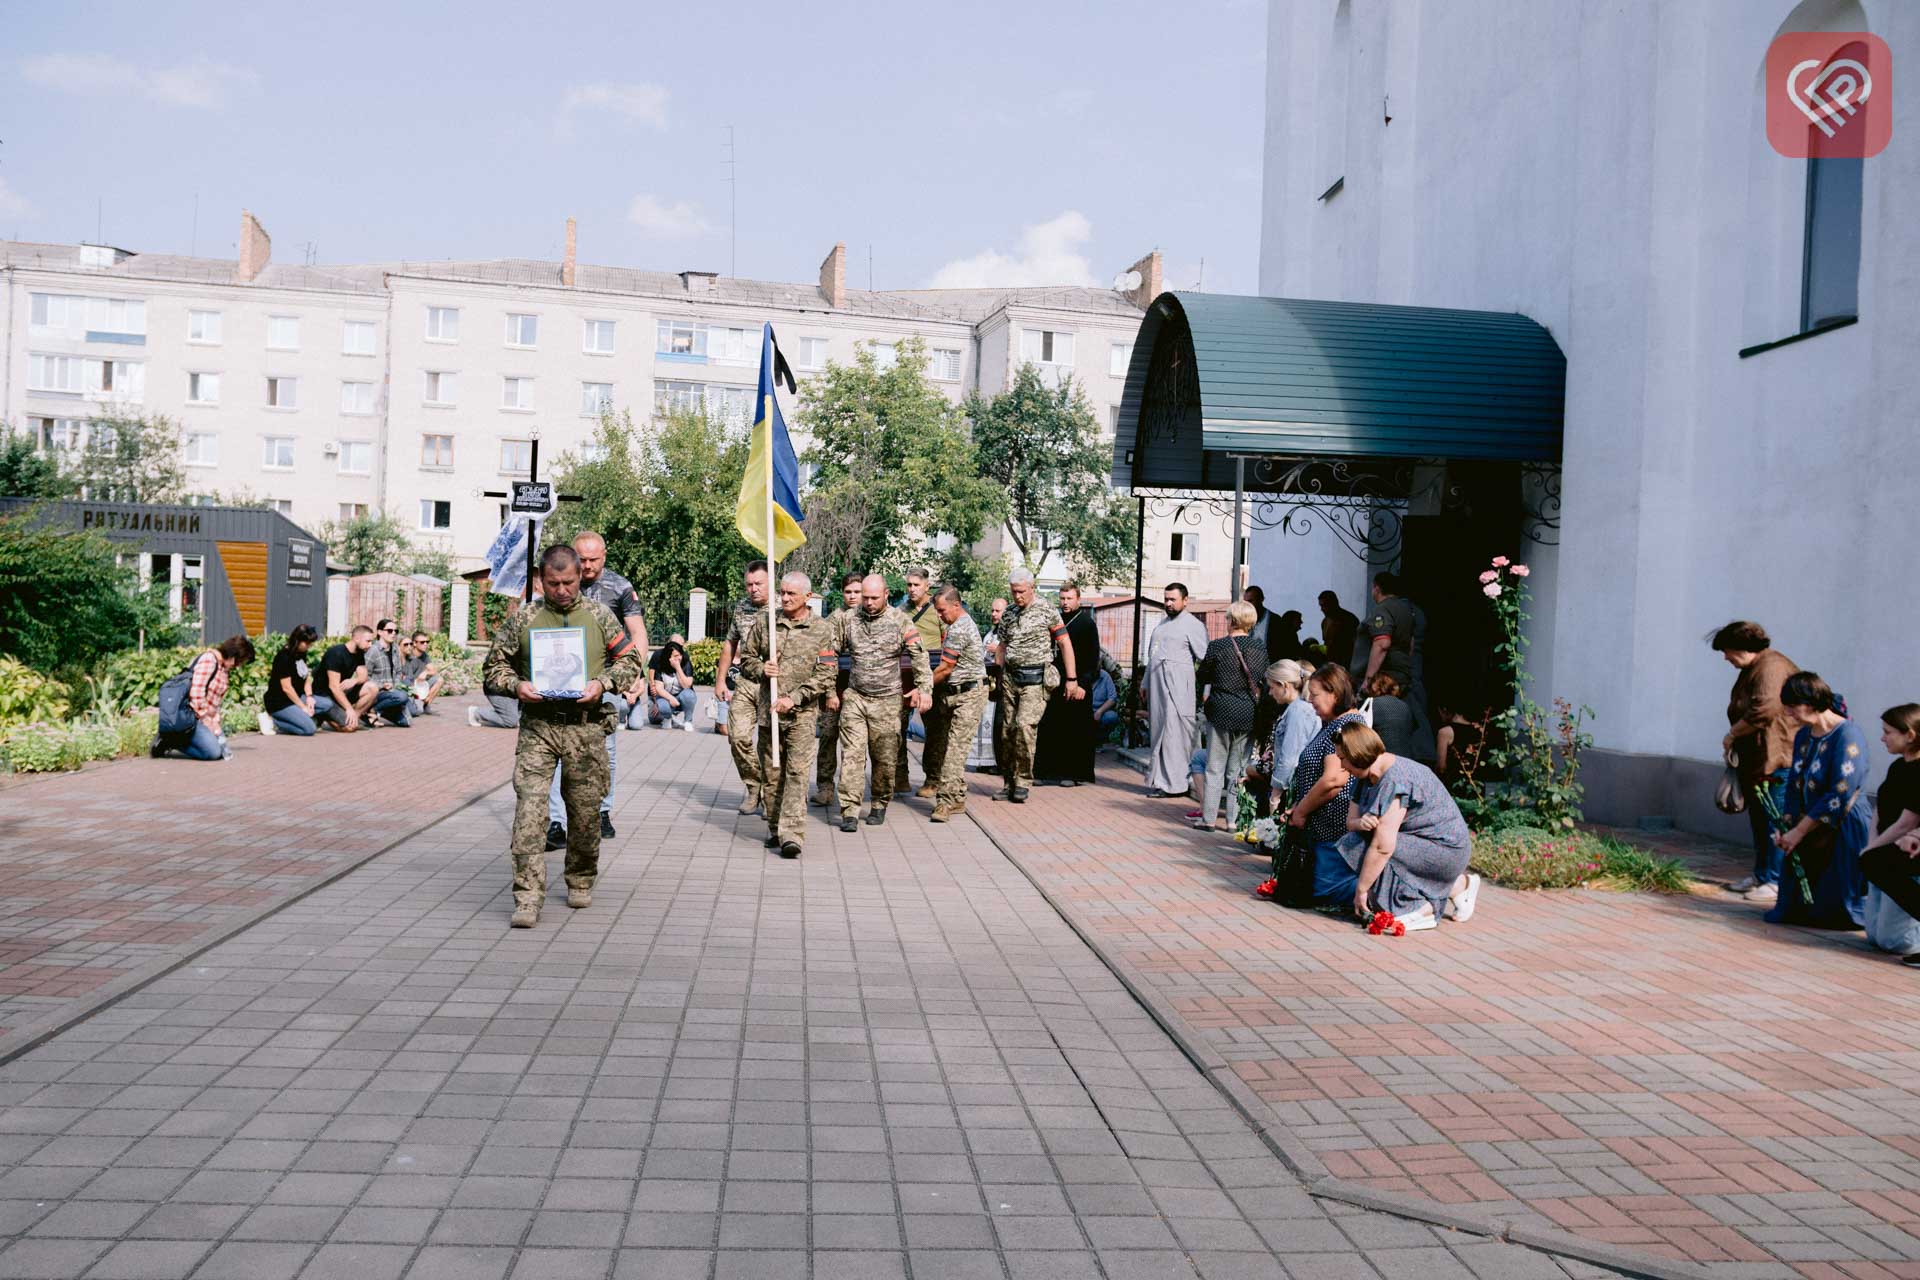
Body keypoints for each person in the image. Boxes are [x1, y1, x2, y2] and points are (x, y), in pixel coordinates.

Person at [482, 544, 642, 928]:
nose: (562, 590)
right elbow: (492, 668)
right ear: (541, 580)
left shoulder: (600, 616)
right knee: (530, 812)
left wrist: (602, 683)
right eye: (553, 583)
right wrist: (516, 685)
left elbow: (632, 660)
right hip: (539, 726)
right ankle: (527, 896)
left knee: (585, 814)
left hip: (585, 727)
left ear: (579, 577)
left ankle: (581, 876)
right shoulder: (525, 618)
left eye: (569, 582)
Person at [546, 531, 649, 848]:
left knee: (606, 750)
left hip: (603, 680)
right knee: (557, 748)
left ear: (604, 555)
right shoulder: (559, 582)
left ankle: (602, 812)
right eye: (583, 559)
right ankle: (556, 822)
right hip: (561, 678)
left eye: (594, 559)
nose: (588, 566)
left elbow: (637, 633)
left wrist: (634, 674)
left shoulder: (620, 588)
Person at [1326, 722, 1481, 932]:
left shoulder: (1396, 779)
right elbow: (1350, 823)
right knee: (1358, 841)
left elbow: (1383, 847)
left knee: (1373, 846)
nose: (1342, 765)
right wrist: (1360, 823)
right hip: (1419, 843)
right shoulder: (1365, 776)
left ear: (1357, 754)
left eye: (1343, 758)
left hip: (1446, 850)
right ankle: (1456, 887)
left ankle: (1425, 909)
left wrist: (1361, 891)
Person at [739, 571, 834, 858]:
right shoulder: (765, 622)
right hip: (770, 714)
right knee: (772, 773)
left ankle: (792, 833)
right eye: (782, 592)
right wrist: (760, 669)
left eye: (792, 593)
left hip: (802, 715)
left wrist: (794, 698)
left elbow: (827, 672)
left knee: (797, 772)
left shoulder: (821, 629)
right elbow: (746, 659)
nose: (785, 598)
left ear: (808, 596)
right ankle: (774, 827)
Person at [1765, 671, 1870, 931]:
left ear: (1811, 704)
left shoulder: (1847, 736)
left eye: (1792, 707)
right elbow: (1794, 783)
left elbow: (1840, 793)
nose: (1788, 713)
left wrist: (1799, 832)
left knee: (1833, 914)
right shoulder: (1804, 735)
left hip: (1841, 824)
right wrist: (1786, 825)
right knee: (1792, 909)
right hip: (1808, 822)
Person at [1256, 664, 1368, 902]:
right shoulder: (1333, 723)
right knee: (1315, 884)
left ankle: (1382, 893)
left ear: (1334, 693)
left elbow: (1334, 779)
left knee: (1325, 888)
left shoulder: (1345, 727)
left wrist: (1302, 810)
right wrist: (1299, 805)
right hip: (1320, 822)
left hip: (1332, 825)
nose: (1311, 701)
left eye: (1315, 695)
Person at [833, 573, 932, 830]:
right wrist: (828, 690)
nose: (868, 603)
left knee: (884, 758)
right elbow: (829, 653)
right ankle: (850, 810)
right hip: (856, 697)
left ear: (886, 594)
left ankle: (879, 803)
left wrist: (924, 689)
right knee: (852, 755)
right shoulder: (848, 620)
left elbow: (919, 657)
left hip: (888, 701)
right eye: (865, 597)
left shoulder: (901, 621)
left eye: (874, 598)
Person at [1713, 620, 1799, 903]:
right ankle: (1762, 874)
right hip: (1758, 758)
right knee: (1760, 818)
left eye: (1728, 651)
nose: (1726, 658)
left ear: (1744, 647)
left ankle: (1774, 879)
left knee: (1774, 818)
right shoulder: (1755, 667)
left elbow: (1767, 708)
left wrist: (1733, 733)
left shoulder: (1771, 667)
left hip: (1777, 758)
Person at [994, 567, 1082, 804]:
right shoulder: (1010, 613)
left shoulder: (1046, 610)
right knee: (1007, 732)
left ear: (1032, 588)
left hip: (1036, 680)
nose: (1017, 596)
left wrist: (1071, 679)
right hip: (1011, 679)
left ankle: (1023, 781)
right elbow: (1001, 646)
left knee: (1024, 727)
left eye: (1021, 591)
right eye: (1014, 592)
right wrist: (996, 676)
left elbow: (1064, 643)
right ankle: (1008, 783)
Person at [1192, 601, 1267, 830]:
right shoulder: (1260, 649)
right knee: (1238, 769)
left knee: (1215, 767)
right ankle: (1233, 821)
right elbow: (1264, 680)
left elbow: (1202, 676)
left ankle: (1209, 819)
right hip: (1248, 713)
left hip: (1220, 710)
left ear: (1232, 620)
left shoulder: (1217, 646)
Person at [920, 586, 992, 822]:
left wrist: (923, 687)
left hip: (969, 694)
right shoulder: (957, 625)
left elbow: (945, 668)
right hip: (956, 694)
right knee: (950, 746)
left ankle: (945, 803)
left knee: (954, 750)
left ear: (956, 605)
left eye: (942, 611)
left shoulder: (959, 628)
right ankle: (958, 797)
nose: (940, 616)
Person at [1857, 704, 1920, 961]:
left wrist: (1873, 850)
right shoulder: (1897, 767)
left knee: (1895, 941)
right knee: (1874, 937)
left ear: (1910, 735)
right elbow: (1879, 810)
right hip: (1885, 849)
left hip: (1905, 858)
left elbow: (1906, 823)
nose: (1883, 738)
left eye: (1888, 732)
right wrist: (1872, 845)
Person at [716, 559, 771, 815]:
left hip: (774, 684)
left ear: (771, 581)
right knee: (737, 736)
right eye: (749, 584)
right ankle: (753, 786)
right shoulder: (741, 607)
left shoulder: (784, 606)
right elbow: (730, 644)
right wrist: (720, 679)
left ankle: (772, 794)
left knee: (769, 745)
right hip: (747, 683)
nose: (753, 589)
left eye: (758, 583)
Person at [1144, 583, 1209, 797]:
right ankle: (1161, 781)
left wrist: (1207, 688)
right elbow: (1152, 655)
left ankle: (1176, 785)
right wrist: (1145, 683)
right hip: (1157, 687)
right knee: (1159, 733)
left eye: (1173, 599)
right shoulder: (1161, 625)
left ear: (1185, 600)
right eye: (1166, 599)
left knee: (1176, 735)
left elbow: (1206, 660)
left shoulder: (1193, 625)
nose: (1168, 603)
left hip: (1179, 688)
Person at [1034, 582, 1101, 787]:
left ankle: (1074, 773)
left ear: (1078, 599)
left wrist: (1082, 683)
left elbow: (1092, 658)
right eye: (1062, 598)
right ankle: (1046, 772)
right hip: (1055, 682)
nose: (1065, 602)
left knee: (1075, 729)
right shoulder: (1056, 620)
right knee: (1050, 727)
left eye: (1069, 598)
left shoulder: (1086, 623)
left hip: (1078, 682)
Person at [155, 635, 255, 760]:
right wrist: (207, 721)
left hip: (204, 718)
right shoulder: (209, 660)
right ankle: (170, 740)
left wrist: (215, 720)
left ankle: (177, 738)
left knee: (218, 750)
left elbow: (216, 699)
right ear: (233, 655)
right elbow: (196, 694)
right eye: (240, 661)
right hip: (193, 716)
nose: (238, 666)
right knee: (213, 752)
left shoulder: (223, 668)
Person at [813, 571, 865, 805]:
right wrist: (830, 692)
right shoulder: (835, 619)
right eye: (848, 592)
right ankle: (825, 786)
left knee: (856, 743)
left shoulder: (870, 616)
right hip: (836, 685)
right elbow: (827, 657)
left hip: (863, 688)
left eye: (857, 592)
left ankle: (852, 789)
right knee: (828, 736)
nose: (853, 596)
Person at [895, 566, 943, 792]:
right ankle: (900, 776)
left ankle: (932, 779)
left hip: (932, 674)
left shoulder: (938, 609)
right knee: (897, 726)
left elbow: (949, 638)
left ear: (927, 585)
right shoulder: (900, 610)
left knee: (933, 729)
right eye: (909, 585)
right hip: (904, 672)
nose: (912, 589)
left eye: (916, 585)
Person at [1247, 659, 1318, 811]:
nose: (1270, 693)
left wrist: (1275, 794)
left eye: (1272, 688)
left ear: (1284, 685)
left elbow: (1289, 758)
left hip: (1291, 787)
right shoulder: (1299, 709)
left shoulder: (1297, 711)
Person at [262, 625, 342, 736]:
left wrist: (309, 697)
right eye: (307, 643)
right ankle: (274, 721)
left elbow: (306, 678)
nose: (309, 646)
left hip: (298, 696)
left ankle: (299, 717)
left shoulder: (301, 653)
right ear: (297, 640)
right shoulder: (283, 657)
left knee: (327, 704)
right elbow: (287, 688)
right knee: (309, 730)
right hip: (280, 702)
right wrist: (303, 707)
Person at [318, 626, 382, 731]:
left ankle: (353, 718)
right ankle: (324, 716)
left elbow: (364, 676)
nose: (370, 645)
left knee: (372, 688)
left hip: (341, 693)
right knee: (349, 728)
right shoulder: (335, 653)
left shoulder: (359, 653)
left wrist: (354, 680)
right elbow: (333, 687)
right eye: (368, 641)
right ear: (356, 639)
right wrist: (348, 708)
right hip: (325, 696)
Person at [1359, 573, 1416, 690]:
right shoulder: (1405, 609)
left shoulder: (1383, 608)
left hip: (1385, 677)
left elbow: (1382, 643)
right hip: (1402, 672)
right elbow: (1411, 643)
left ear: (1377, 588)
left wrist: (1368, 679)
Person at [638, 634, 699, 729]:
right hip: (662, 695)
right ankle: (668, 716)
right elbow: (653, 680)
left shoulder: (684, 659)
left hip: (679, 696)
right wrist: (655, 701)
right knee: (655, 720)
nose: (679, 648)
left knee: (689, 695)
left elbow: (687, 685)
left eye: (681, 646)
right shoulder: (659, 656)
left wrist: (677, 667)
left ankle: (686, 720)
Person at [363, 619, 414, 726]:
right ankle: (372, 709)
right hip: (378, 692)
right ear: (380, 632)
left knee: (406, 722)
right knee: (402, 697)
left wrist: (394, 686)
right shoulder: (373, 650)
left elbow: (398, 671)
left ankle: (377, 711)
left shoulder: (395, 649)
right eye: (390, 631)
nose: (394, 633)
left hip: (392, 692)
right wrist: (382, 685)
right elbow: (364, 676)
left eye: (396, 631)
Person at [980, 597, 1009, 775]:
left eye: (998, 611)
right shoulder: (990, 634)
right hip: (987, 683)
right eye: (992, 610)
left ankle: (995, 761)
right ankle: (983, 760)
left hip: (1001, 685)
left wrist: (997, 650)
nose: (994, 614)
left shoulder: (1008, 634)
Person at [1433, 701, 1486, 788]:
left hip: (1453, 785)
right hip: (1476, 785)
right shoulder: (1479, 730)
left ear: (1444, 710)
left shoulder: (1445, 732)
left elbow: (1441, 767)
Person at [1365, 672, 1418, 759]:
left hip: (1382, 758)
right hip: (1406, 757)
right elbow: (1412, 730)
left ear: (1374, 686)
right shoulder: (1405, 706)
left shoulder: (1372, 704)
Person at [401, 631, 445, 716]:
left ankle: (426, 704)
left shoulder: (424, 655)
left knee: (439, 679)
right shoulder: (409, 655)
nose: (425, 644)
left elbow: (434, 670)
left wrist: (425, 672)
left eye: (427, 642)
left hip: (421, 686)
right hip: (410, 688)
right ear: (414, 643)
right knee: (418, 711)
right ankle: (419, 704)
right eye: (422, 642)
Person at [1318, 591, 1360, 677]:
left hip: (1347, 666)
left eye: (1324, 605)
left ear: (1332, 603)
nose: (1321, 609)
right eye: (1321, 606)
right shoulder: (1325, 622)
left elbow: (1355, 644)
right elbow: (1327, 644)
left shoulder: (1349, 619)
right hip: (1331, 665)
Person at [1091, 665, 1121, 741]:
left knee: (1112, 717)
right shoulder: (1083, 675)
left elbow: (1112, 697)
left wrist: (1099, 711)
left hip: (1101, 711)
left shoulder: (1105, 676)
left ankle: (1101, 739)